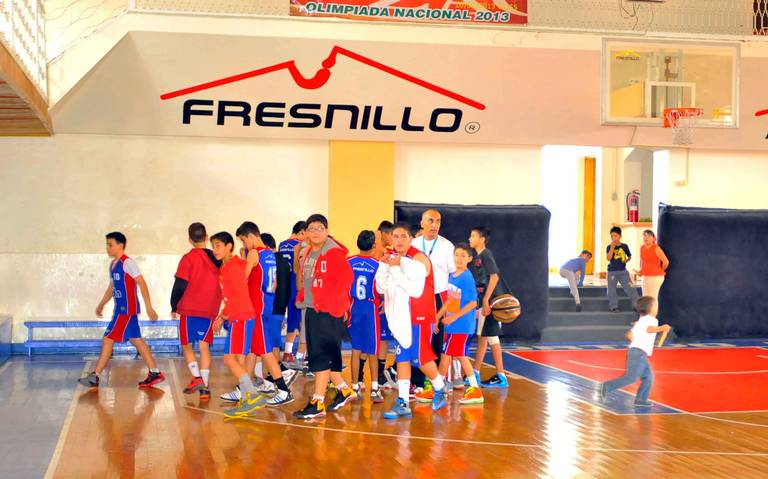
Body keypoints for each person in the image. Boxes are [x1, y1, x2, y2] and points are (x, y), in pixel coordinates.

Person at [377, 222, 448, 419]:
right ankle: (403, 402)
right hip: (401, 316)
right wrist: (384, 266)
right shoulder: (392, 257)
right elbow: (381, 288)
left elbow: (415, 290)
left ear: (411, 239)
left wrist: (396, 268)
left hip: (418, 315)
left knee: (421, 357)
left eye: (403, 236)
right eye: (395, 236)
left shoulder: (418, 259)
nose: (398, 240)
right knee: (402, 357)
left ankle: (440, 388)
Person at [78, 232, 164, 389]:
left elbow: (142, 283)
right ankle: (155, 372)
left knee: (107, 339)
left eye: (110, 244)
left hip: (126, 310)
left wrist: (149, 307)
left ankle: (95, 375)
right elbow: (111, 288)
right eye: (107, 245)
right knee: (136, 340)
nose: (108, 248)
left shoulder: (128, 263)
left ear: (120, 245)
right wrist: (101, 303)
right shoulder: (113, 265)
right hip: (120, 310)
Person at [293, 214, 356, 420]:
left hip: (328, 311)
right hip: (313, 308)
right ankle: (344, 390)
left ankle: (318, 402)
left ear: (327, 231)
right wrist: (303, 297)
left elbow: (347, 280)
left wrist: (334, 304)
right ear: (307, 233)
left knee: (322, 357)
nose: (315, 232)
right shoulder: (310, 251)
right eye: (311, 229)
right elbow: (308, 279)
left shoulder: (334, 253)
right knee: (322, 354)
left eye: (320, 228)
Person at [237, 222, 294, 407]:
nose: (244, 245)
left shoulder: (254, 253)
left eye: (244, 240)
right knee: (256, 349)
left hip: (258, 308)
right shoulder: (270, 254)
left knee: (264, 350)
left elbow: (242, 279)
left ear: (251, 236)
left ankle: (284, 390)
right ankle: (243, 388)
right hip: (268, 305)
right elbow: (275, 284)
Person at [209, 232, 266, 417]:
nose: (214, 250)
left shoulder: (232, 267)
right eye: (213, 246)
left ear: (228, 246)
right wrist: (222, 315)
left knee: (229, 359)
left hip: (240, 317)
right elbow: (232, 295)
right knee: (239, 359)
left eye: (218, 245)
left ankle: (252, 396)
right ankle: (246, 398)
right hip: (241, 316)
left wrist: (223, 315)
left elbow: (238, 296)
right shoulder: (230, 266)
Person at [422, 243, 483, 405]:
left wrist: (453, 317)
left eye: (463, 255)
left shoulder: (466, 277)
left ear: (469, 259)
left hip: (462, 325)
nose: (459, 258)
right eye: (457, 255)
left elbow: (472, 304)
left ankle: (451, 389)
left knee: (453, 356)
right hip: (453, 325)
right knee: (450, 355)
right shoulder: (453, 275)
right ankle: (442, 388)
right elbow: (450, 300)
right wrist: (438, 316)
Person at [170, 222, 221, 400]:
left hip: (190, 308)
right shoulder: (217, 258)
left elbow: (180, 284)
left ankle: (197, 378)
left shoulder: (188, 258)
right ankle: (205, 388)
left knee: (187, 346)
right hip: (210, 309)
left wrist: (173, 305)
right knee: (204, 347)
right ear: (207, 237)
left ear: (190, 240)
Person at [412, 209, 456, 393]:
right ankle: (416, 381)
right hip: (417, 296)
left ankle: (433, 380)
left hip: (438, 296)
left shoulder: (447, 246)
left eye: (438, 221)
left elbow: (455, 277)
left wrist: (453, 310)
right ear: (422, 223)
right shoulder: (413, 243)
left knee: (436, 338)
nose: (434, 225)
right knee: (417, 337)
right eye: (430, 221)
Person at [600, 296, 671, 407]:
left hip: (637, 352)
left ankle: (641, 400)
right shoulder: (652, 320)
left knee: (648, 377)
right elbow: (649, 329)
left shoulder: (640, 321)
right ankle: (607, 386)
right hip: (638, 353)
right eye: (655, 305)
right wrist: (662, 328)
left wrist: (639, 341)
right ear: (651, 308)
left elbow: (629, 335)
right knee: (631, 378)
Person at [468, 226, 508, 388]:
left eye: (473, 236)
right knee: (484, 337)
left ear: (482, 239)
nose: (470, 239)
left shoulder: (486, 254)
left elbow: (494, 276)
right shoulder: (478, 256)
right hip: (486, 300)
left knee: (490, 337)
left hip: (490, 302)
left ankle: (500, 375)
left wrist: (485, 300)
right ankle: (476, 372)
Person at [347, 230, 384, 403]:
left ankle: (354, 386)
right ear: (374, 245)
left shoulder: (349, 262)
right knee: (372, 350)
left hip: (354, 307)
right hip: (370, 308)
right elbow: (381, 289)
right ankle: (375, 388)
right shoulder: (377, 265)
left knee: (355, 349)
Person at [279, 221, 306, 365]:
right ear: (301, 232)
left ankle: (288, 352)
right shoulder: (300, 246)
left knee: (291, 318)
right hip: (296, 284)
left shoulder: (282, 244)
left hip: (283, 285)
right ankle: (294, 353)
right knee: (299, 319)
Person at [374, 220, 397, 390]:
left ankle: (382, 374)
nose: (394, 238)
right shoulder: (379, 252)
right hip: (378, 299)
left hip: (383, 299)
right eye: (392, 235)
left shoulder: (388, 252)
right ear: (383, 233)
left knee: (384, 339)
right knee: (381, 339)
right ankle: (380, 375)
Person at [634, 230, 669, 315]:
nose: (645, 238)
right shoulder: (642, 248)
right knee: (645, 298)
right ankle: (643, 319)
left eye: (648, 236)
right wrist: (641, 271)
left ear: (654, 238)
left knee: (652, 299)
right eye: (644, 236)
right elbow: (642, 261)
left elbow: (666, 262)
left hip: (656, 277)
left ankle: (652, 319)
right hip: (646, 276)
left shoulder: (656, 248)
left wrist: (659, 270)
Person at [606, 226, 640, 313]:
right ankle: (614, 306)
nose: (614, 238)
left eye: (615, 236)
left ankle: (637, 305)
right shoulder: (609, 247)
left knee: (631, 288)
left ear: (620, 236)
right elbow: (609, 258)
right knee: (611, 290)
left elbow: (629, 257)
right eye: (612, 236)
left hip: (623, 272)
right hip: (612, 272)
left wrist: (626, 260)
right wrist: (612, 248)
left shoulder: (624, 246)